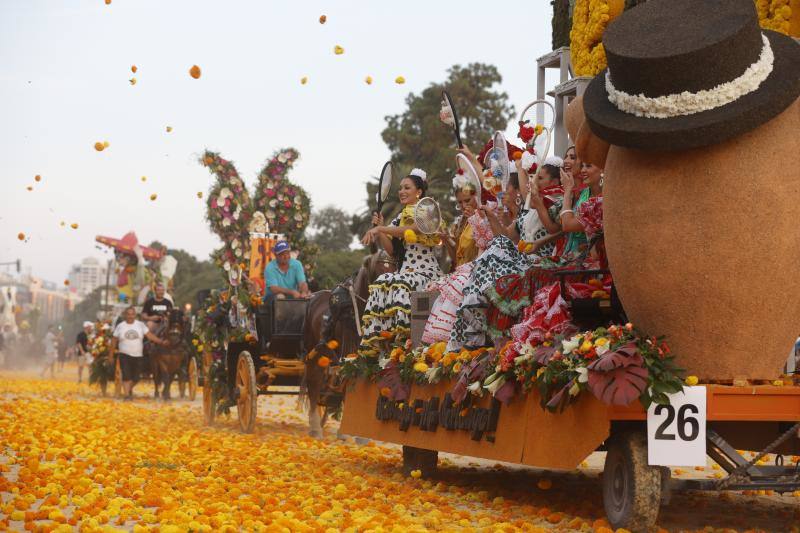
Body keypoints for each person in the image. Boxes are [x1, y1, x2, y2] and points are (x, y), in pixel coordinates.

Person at [509, 161, 606, 345]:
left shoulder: (601, 198)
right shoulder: (583, 193)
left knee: (542, 278)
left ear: (602, 169)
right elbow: (562, 228)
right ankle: (532, 338)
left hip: (591, 261)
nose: (583, 170)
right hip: (572, 255)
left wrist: (567, 191)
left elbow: (564, 225)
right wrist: (539, 242)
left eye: (588, 166)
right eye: (583, 166)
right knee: (533, 274)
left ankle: (551, 339)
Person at [359, 168, 443, 353]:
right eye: (400, 188)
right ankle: (384, 343)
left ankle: (405, 339)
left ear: (419, 191)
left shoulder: (428, 208)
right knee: (382, 281)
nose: (402, 191)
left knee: (402, 283)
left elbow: (413, 229)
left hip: (426, 273)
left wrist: (380, 229)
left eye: (407, 187)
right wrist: (381, 227)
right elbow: (391, 251)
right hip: (406, 271)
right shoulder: (399, 217)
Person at [422, 169, 493, 344]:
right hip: (460, 273)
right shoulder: (461, 222)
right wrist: (447, 239)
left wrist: (477, 220)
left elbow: (486, 246)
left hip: (478, 273)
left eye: (467, 200)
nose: (463, 205)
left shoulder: (487, 216)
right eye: (460, 202)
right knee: (429, 291)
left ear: (477, 196)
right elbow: (456, 258)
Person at [110, 306, 166, 399]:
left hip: (138, 355)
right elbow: (114, 340)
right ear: (125, 315)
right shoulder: (120, 326)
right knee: (126, 376)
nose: (130, 316)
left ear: (135, 315)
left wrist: (161, 342)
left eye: (132, 314)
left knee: (136, 378)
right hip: (124, 355)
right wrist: (111, 355)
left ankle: (127, 390)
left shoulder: (140, 325)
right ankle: (127, 396)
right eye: (128, 314)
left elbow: (150, 336)